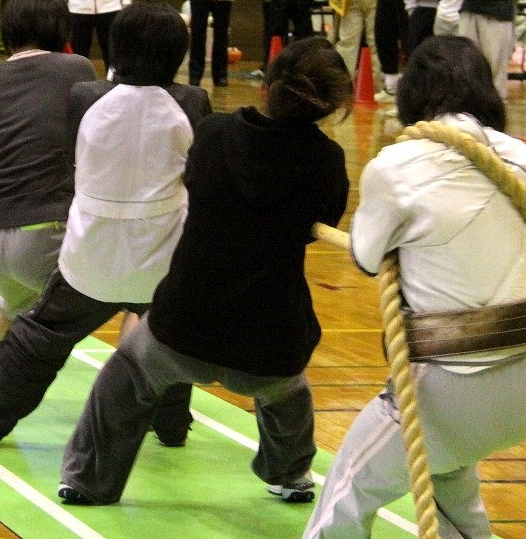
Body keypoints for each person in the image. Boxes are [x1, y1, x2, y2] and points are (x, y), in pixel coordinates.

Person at [57, 35, 352, 508]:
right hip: (269, 339)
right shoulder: (326, 161)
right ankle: (291, 473)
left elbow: (196, 182)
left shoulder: (215, 133)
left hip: (183, 326)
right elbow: (321, 222)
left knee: (125, 375)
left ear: (268, 86)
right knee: (289, 394)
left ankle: (87, 480)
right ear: (331, 105)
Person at [303, 35, 526, 539]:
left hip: (453, 381)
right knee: (452, 484)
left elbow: (368, 256)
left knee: (346, 493)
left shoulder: (398, 166)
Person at [0, 1, 211, 449]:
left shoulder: (85, 95)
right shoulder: (192, 101)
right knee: (168, 334)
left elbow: (76, 162)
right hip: (161, 258)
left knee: (38, 336)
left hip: (90, 254)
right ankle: (170, 427)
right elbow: (197, 175)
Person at [0, 0, 96, 349]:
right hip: (43, 231)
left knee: (12, 303)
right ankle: (130, 403)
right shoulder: (78, 68)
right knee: (131, 299)